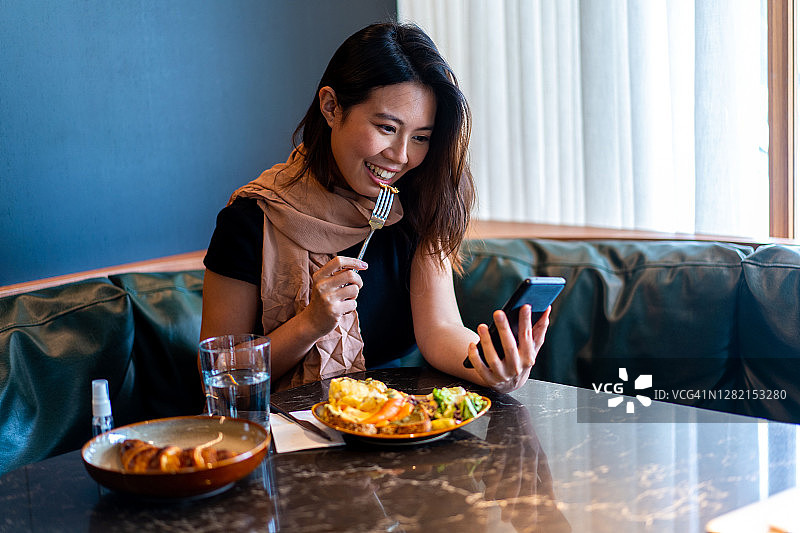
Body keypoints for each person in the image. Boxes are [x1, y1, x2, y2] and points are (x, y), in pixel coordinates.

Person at [200, 22, 550, 393]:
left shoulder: (417, 202)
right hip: (283, 421)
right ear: (331, 107)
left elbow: (441, 329)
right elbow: (219, 373)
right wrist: (310, 324)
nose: (401, 156)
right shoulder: (250, 219)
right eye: (386, 128)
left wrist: (489, 365)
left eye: (420, 138)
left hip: (393, 413)